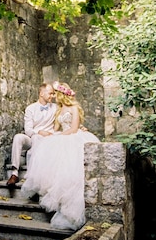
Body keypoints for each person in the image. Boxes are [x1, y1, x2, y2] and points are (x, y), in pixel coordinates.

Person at [21, 81, 100, 230]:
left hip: (73, 137)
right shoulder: (58, 110)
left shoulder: (74, 108)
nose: (54, 97)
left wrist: (61, 135)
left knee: (70, 169)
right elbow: (55, 127)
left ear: (62, 94)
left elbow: (74, 128)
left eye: (55, 94)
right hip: (62, 135)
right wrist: (51, 135)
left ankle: (69, 205)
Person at [6, 83, 57, 186]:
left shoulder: (55, 108)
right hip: (33, 138)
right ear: (41, 93)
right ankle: (14, 174)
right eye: (50, 93)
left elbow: (65, 118)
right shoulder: (30, 108)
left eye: (53, 94)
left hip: (48, 140)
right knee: (18, 137)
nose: (52, 96)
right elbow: (28, 130)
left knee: (38, 137)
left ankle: (32, 176)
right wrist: (38, 132)